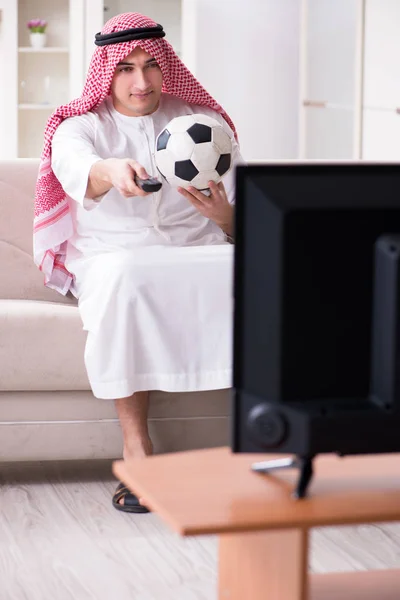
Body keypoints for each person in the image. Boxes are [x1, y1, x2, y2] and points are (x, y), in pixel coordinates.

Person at [33, 12, 243, 513]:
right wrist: (110, 172)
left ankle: (267, 444)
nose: (141, 81)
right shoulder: (81, 125)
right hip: (113, 254)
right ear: (106, 71)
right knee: (129, 276)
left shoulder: (201, 123)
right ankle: (136, 450)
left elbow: (244, 221)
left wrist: (225, 216)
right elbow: (78, 166)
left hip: (195, 249)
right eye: (125, 68)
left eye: (151, 65)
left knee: (259, 273)